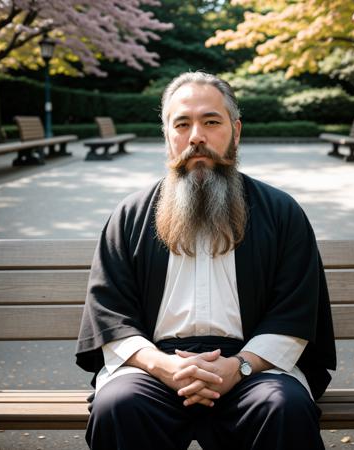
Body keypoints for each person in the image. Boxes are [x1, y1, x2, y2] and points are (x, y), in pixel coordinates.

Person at [75, 71, 336, 450]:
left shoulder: (282, 212)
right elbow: (110, 313)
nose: (196, 135)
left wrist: (240, 366)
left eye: (211, 121)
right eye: (182, 123)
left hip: (253, 368)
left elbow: (294, 310)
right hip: (153, 367)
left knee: (283, 407)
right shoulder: (130, 215)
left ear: (236, 130)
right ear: (168, 135)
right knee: (119, 406)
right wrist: (162, 366)